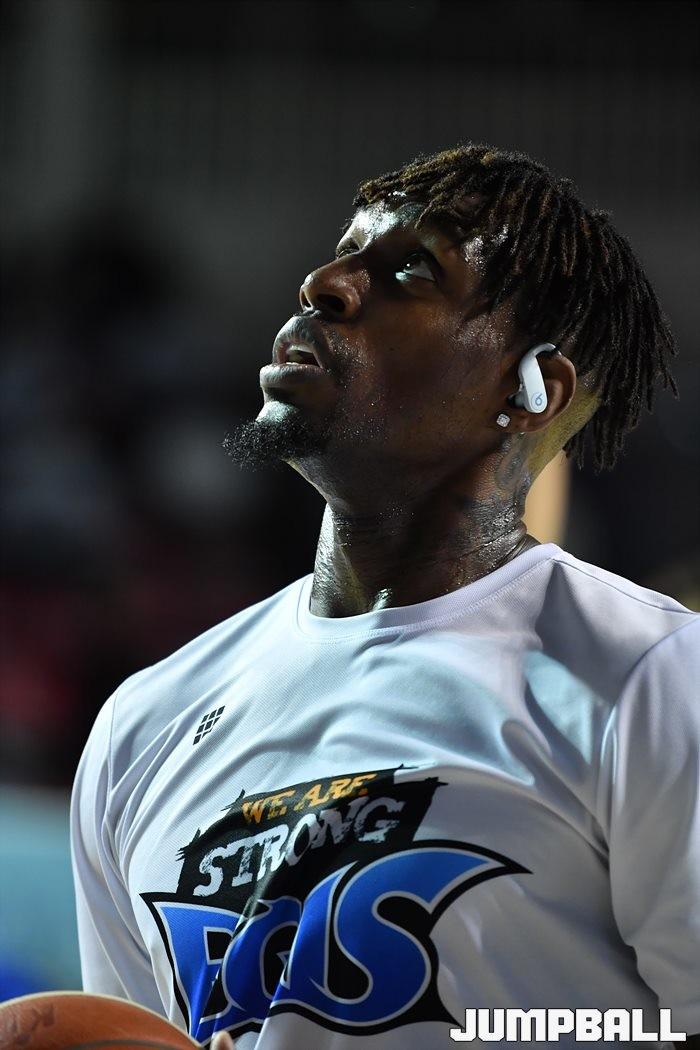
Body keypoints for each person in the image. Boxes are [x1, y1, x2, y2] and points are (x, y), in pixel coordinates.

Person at [71, 144, 700, 1050]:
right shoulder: (144, 723)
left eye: (413, 271)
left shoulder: (650, 678)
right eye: (343, 253)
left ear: (532, 390)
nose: (323, 285)